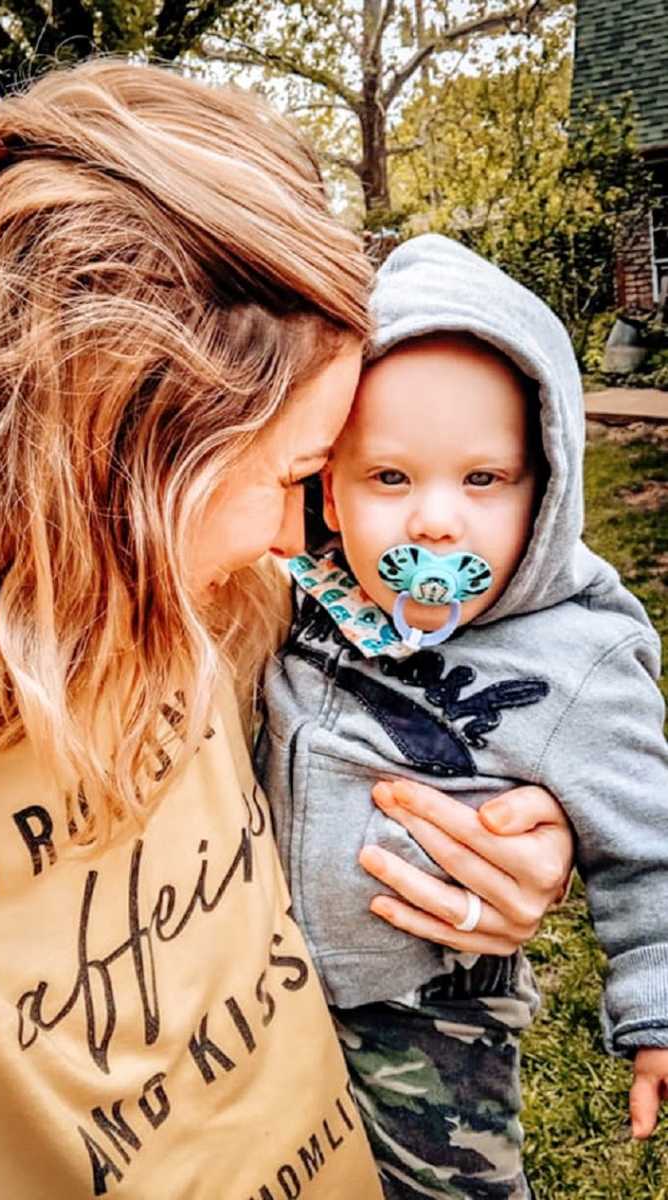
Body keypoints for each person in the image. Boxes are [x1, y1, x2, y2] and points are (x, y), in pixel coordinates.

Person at [0, 66, 572, 1199]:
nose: (306, 539)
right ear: (117, 467)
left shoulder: (210, 596)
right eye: (297, 477)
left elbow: (506, 658)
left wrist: (529, 837)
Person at [261, 233, 668, 1199]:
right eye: (389, 479)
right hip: (263, 980)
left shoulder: (578, 656)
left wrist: (657, 1013)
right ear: (330, 487)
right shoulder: (298, 590)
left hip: (436, 1005)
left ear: (546, 486)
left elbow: (651, 846)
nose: (435, 522)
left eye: (482, 479)